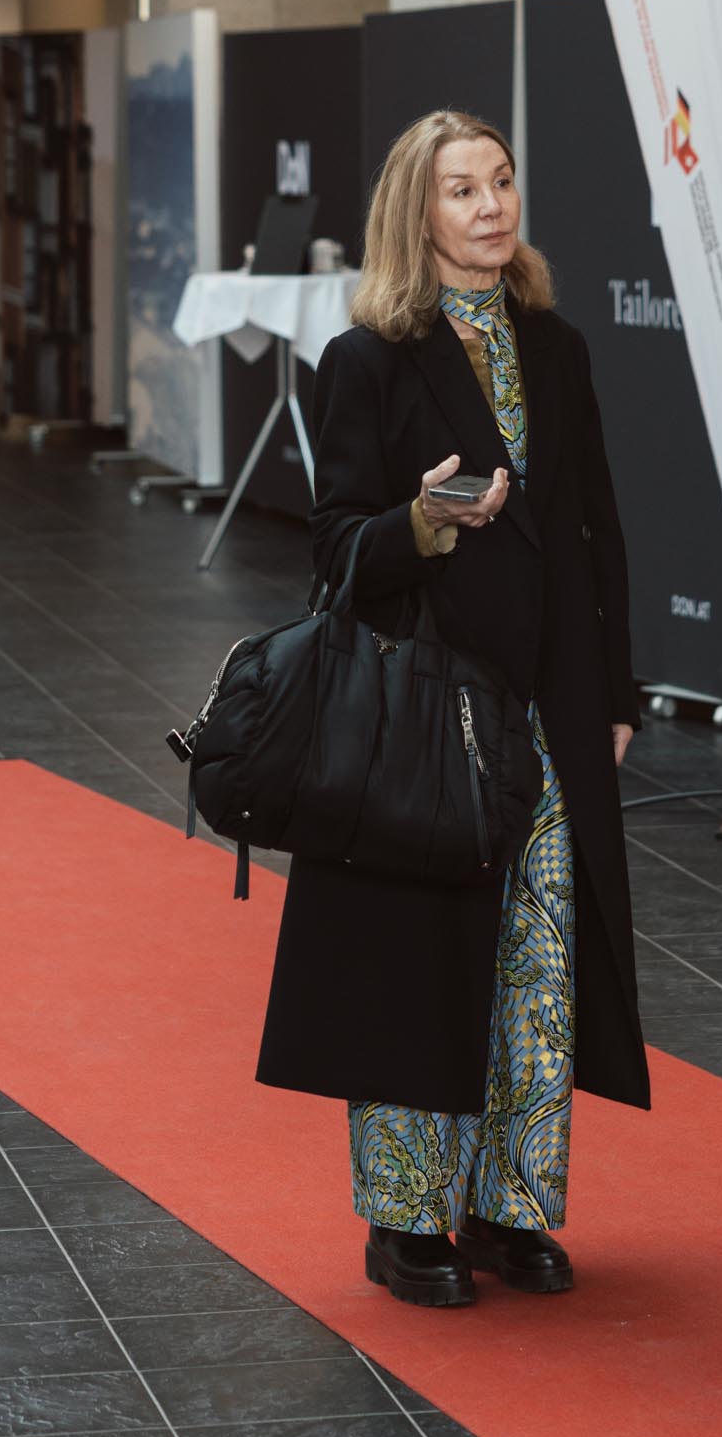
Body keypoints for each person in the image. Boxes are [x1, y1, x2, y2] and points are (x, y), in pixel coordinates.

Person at [256, 108, 650, 1308]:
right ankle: (406, 1216)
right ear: (415, 214)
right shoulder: (368, 357)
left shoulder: (558, 346)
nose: (491, 206)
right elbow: (335, 549)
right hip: (427, 707)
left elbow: (598, 531)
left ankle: (509, 1203)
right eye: (462, 189)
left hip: (548, 699)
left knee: (539, 956)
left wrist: (615, 686)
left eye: (502, 181)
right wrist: (423, 519)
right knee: (414, 961)